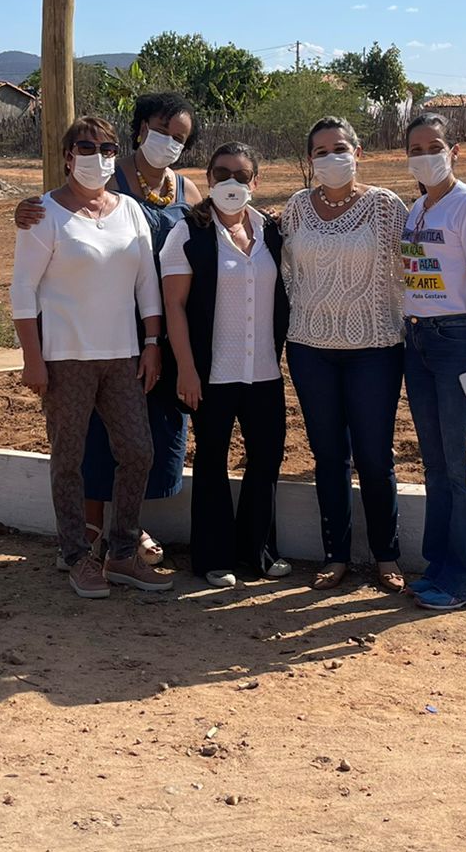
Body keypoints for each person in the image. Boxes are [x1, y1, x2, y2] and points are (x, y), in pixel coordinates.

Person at [15, 93, 200, 565]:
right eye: (161, 131)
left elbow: (211, 232)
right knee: (85, 445)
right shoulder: (89, 188)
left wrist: (156, 341)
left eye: (179, 137)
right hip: (77, 344)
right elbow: (35, 263)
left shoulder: (181, 191)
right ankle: (86, 539)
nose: (169, 143)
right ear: (140, 129)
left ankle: (126, 533)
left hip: (149, 337)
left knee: (144, 442)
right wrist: (32, 358)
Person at [280, 117, 409, 592]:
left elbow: (412, 267)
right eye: (320, 151)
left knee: (375, 456)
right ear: (309, 160)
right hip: (311, 349)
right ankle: (334, 554)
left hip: (374, 349)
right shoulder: (295, 207)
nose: (331, 157)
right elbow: (288, 270)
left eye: (340, 148)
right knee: (328, 455)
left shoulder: (386, 207)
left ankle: (386, 555)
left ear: (358, 152)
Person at [160, 142, 293, 588]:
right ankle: (213, 557)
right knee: (212, 461)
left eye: (241, 175)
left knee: (266, 458)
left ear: (256, 183)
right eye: (222, 174)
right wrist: (186, 368)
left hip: (263, 373)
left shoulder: (272, 232)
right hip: (210, 375)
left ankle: (258, 551)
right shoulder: (188, 233)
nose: (231, 183)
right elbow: (174, 307)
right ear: (209, 179)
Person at [399, 113, 466, 611]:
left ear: (454, 150)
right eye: (415, 149)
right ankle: (439, 566)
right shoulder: (417, 208)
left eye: (433, 146)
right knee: (437, 465)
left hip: (460, 341)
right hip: (418, 342)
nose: (425, 156)